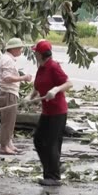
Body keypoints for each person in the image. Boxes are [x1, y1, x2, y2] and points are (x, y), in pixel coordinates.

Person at [29, 39, 73, 186]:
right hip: (46, 111)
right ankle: (53, 167)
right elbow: (37, 86)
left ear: (41, 54)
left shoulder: (53, 66)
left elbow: (68, 83)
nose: (34, 54)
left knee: (51, 143)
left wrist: (55, 90)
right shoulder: (41, 67)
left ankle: (53, 177)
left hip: (57, 111)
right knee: (38, 140)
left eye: (36, 52)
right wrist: (30, 97)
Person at [0, 38, 32, 155]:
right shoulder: (7, 60)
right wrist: (23, 78)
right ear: (14, 49)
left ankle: (9, 143)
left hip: (6, 93)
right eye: (20, 48)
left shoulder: (4, 58)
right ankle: (4, 146)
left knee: (10, 121)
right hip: (8, 94)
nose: (21, 51)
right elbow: (7, 78)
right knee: (8, 122)